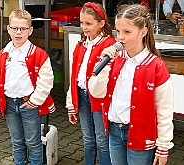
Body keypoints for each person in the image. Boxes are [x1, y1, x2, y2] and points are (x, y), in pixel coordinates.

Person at [88, 4, 174, 165]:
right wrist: (104, 65)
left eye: (127, 32)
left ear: (143, 32)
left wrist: (163, 145)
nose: (120, 37)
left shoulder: (156, 66)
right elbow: (96, 92)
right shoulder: (114, 60)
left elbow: (164, 109)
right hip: (114, 130)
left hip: (141, 136)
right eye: (118, 31)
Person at [0, 9, 55, 165]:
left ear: (30, 30)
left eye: (23, 29)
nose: (18, 32)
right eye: (14, 28)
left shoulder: (39, 54)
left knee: (33, 143)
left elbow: (46, 81)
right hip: (10, 104)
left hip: (29, 104)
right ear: (8, 29)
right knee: (17, 141)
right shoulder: (3, 55)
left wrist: (35, 101)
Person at [65, 2, 116, 165]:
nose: (84, 27)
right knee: (88, 139)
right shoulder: (81, 45)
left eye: (88, 23)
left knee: (102, 140)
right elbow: (74, 76)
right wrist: (71, 103)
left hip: (100, 99)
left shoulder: (110, 45)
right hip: (82, 95)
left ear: (101, 23)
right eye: (81, 23)